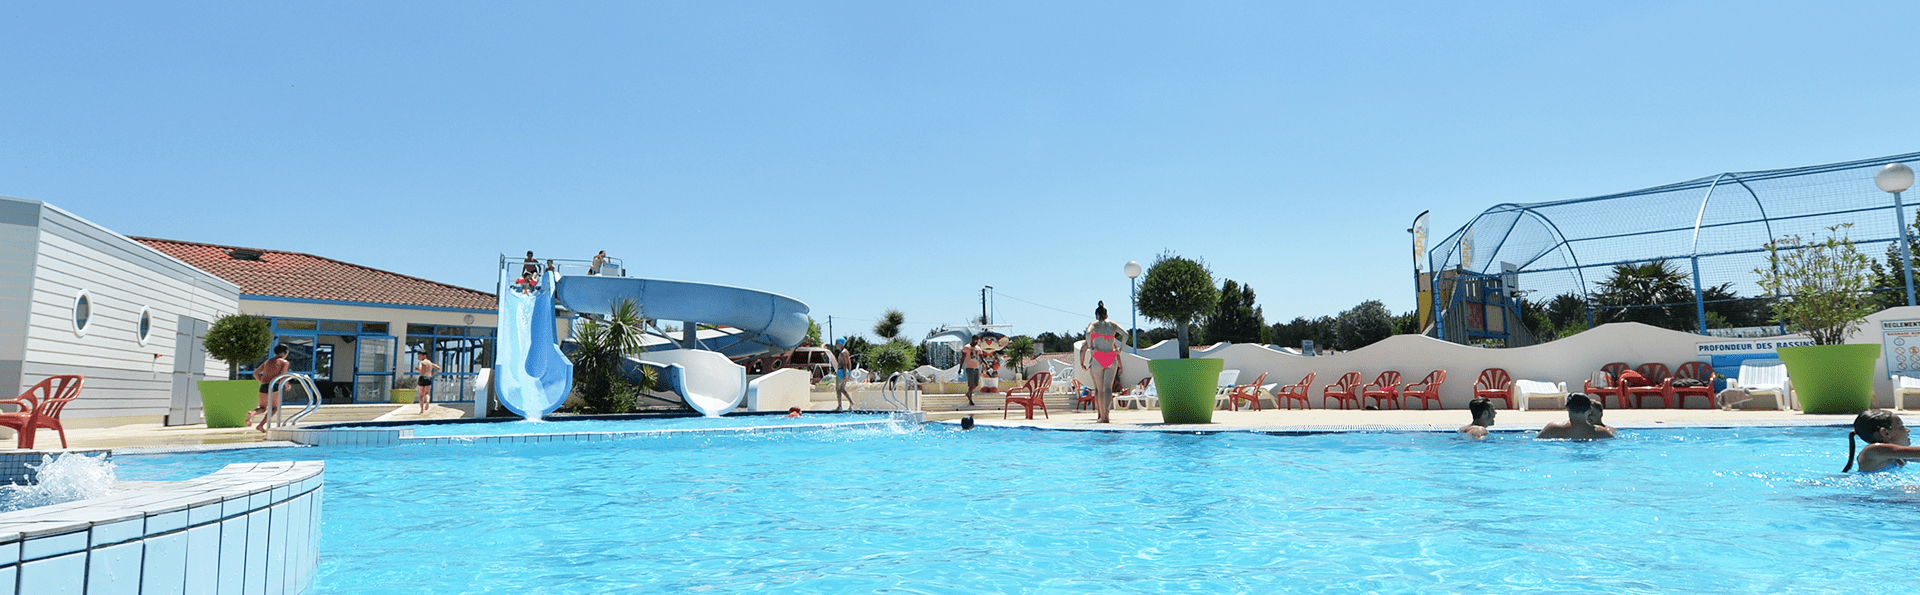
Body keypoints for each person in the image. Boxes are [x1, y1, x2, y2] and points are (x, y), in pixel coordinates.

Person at [1078, 301, 1127, 424]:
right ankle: (1107, 416)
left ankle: (1102, 416)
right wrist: (1121, 349)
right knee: (1108, 389)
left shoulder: (1094, 325)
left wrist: (1091, 347)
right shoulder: (1112, 325)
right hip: (1111, 357)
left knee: (1099, 390)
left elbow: (1088, 333)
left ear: (1096, 315)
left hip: (1098, 357)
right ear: (1106, 315)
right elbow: (1125, 334)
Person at [1844, 409, 1920, 472]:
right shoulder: (1873, 450)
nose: (1908, 430)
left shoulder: (1897, 456)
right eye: (1901, 427)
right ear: (1885, 433)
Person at [1534, 394, 1617, 440]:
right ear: (1590, 409)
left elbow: (1536, 444)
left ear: (1567, 407)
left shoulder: (1552, 429)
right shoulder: (1602, 433)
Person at [250, 345, 291, 433]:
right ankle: (260, 425)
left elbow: (255, 373)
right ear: (285, 352)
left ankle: (252, 413)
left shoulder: (268, 361)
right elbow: (281, 377)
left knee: (262, 408)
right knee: (274, 408)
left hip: (264, 386)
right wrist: (287, 385)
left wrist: (262, 381)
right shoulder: (284, 362)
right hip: (274, 386)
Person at [828, 338, 853, 411]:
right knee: (842, 389)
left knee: (838, 389)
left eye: (837, 343)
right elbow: (850, 362)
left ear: (841, 344)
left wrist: (845, 374)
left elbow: (845, 364)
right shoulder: (846, 352)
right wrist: (849, 373)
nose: (835, 345)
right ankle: (851, 402)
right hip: (844, 372)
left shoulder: (843, 353)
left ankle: (840, 406)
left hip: (842, 372)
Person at [414, 350, 441, 415]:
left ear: (424, 356)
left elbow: (420, 368)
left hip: (422, 377)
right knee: (427, 393)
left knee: (421, 395)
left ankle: (421, 410)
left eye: (420, 356)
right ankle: (428, 401)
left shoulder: (421, 362)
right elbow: (438, 368)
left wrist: (417, 369)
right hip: (428, 378)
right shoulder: (430, 362)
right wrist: (432, 374)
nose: (419, 357)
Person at [961, 336, 982, 406]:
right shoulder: (966, 347)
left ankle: (968, 393)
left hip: (976, 368)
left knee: (976, 384)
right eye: (975, 340)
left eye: (977, 340)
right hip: (969, 368)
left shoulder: (978, 348)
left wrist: (987, 364)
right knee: (971, 385)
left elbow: (981, 357)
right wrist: (960, 368)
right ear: (972, 339)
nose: (976, 342)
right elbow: (963, 358)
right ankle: (970, 400)